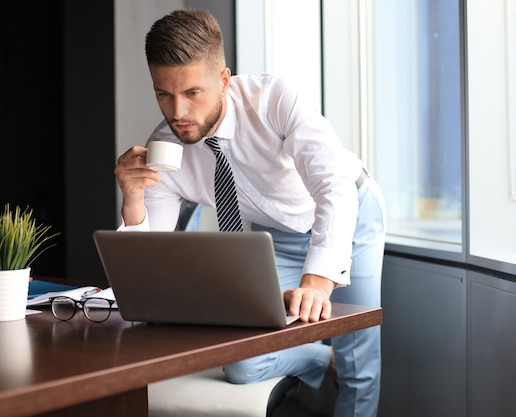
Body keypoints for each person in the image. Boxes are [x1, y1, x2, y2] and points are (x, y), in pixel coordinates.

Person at [114, 9, 386, 417]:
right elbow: (147, 264)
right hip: (275, 235)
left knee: (356, 356)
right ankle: (316, 359)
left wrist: (316, 282)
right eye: (163, 94)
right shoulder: (165, 150)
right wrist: (133, 200)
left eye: (192, 93)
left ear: (224, 80)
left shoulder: (276, 99)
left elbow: (334, 188)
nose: (178, 113)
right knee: (244, 362)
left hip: (351, 214)